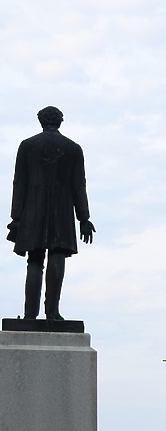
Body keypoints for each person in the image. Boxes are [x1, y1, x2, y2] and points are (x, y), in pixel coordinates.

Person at [7, 106, 95, 321]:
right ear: (60, 121)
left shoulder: (27, 146)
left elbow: (19, 183)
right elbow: (78, 186)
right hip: (62, 210)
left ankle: (30, 315)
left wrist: (16, 218)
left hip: (32, 211)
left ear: (41, 121)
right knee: (57, 256)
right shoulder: (73, 148)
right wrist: (83, 218)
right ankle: (52, 313)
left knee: (34, 260)